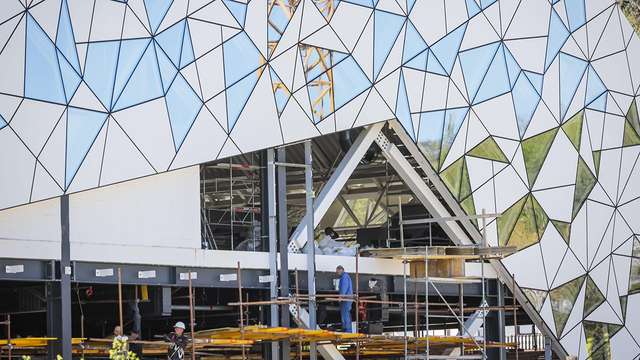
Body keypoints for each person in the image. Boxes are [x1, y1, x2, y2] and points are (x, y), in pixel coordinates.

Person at [336, 265, 353, 333]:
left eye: (337, 271)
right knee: (346, 314)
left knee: (345, 314)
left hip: (346, 299)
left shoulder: (344, 277)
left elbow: (344, 288)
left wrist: (341, 297)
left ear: (341, 270)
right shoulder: (346, 276)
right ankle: (347, 329)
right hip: (347, 298)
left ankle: (347, 330)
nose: (337, 273)